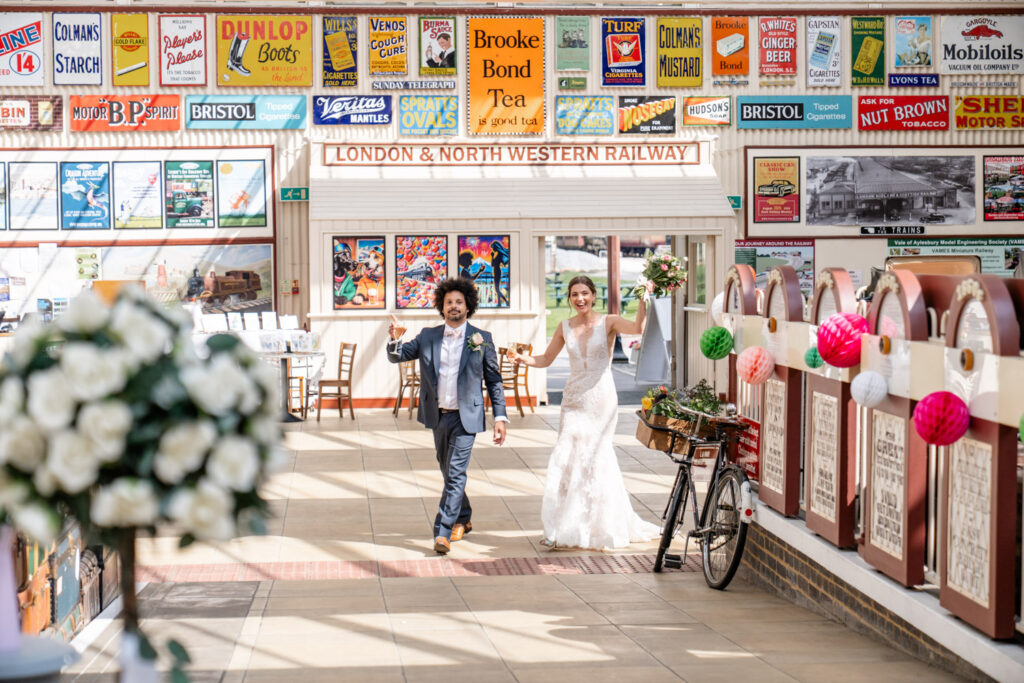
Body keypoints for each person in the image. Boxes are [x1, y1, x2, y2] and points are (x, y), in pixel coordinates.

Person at [507, 275, 660, 550]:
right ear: (569, 298)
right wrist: (522, 359)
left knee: (595, 458)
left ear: (593, 295)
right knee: (566, 459)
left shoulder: (609, 322)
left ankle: (600, 525)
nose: (580, 299)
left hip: (602, 399)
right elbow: (545, 358)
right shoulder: (564, 327)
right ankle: (560, 526)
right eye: (575, 294)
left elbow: (638, 328)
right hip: (574, 399)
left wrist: (642, 297)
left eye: (585, 293)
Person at [386, 278, 508, 555]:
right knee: (448, 470)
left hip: (468, 416)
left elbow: (494, 380)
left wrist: (500, 417)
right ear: (442, 306)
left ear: (468, 306)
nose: (454, 306)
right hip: (438, 414)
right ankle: (463, 518)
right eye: (449, 302)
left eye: (459, 302)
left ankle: (442, 532)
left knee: (454, 472)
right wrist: (396, 338)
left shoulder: (482, 339)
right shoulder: (428, 336)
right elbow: (398, 356)